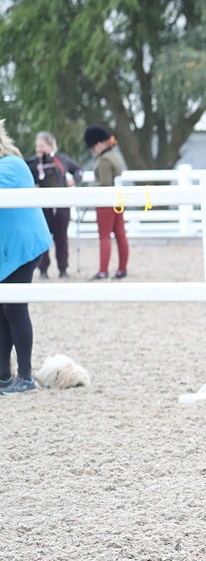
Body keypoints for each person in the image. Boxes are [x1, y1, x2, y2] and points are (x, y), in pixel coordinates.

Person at [0, 120, 53, 394]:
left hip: (23, 247)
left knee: (14, 308)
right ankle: (3, 376)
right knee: (3, 309)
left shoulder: (11, 166)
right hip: (8, 248)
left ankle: (25, 376)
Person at [27, 131, 84, 279]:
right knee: (42, 238)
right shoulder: (33, 163)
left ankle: (63, 269)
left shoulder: (61, 159)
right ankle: (43, 270)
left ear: (50, 145)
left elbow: (79, 169)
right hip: (42, 207)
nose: (39, 149)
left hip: (61, 206)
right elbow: (25, 176)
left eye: (42, 146)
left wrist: (74, 180)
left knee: (61, 238)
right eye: (37, 146)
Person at [84, 124, 129, 280]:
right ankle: (122, 269)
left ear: (99, 144)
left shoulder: (104, 160)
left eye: (93, 147)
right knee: (120, 234)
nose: (93, 151)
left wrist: (89, 187)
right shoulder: (114, 156)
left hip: (106, 202)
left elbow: (104, 183)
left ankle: (103, 271)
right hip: (118, 200)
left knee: (104, 236)